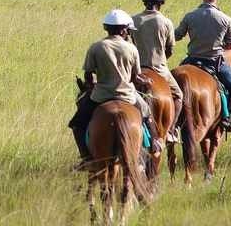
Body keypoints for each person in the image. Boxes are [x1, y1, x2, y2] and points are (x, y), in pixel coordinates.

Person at [69, 9, 163, 163]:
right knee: (147, 114)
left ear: (106, 28)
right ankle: (154, 144)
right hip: (128, 95)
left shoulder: (96, 47)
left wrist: (92, 86)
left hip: (100, 95)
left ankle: (86, 157)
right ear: (124, 29)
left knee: (77, 124)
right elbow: (134, 78)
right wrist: (145, 82)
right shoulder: (131, 48)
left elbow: (88, 75)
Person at [174, 0, 231, 132]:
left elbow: (178, 35)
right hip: (215, 62)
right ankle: (228, 117)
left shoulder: (190, 16)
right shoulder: (226, 19)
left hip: (191, 60)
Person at [131, 0, 183, 143]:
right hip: (159, 69)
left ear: (144, 1)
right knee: (179, 95)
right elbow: (170, 49)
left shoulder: (133, 20)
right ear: (161, 3)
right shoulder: (166, 22)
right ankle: (171, 130)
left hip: (136, 70)